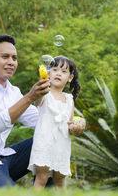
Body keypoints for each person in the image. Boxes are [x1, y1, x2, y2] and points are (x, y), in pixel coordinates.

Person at [0, 34, 85, 187]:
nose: (11, 62)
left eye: (14, 58)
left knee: (50, 139)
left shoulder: (13, 92)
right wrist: (29, 98)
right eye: (5, 57)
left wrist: (74, 125)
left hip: (1, 158)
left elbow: (44, 121)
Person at [28, 56, 83, 189]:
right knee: (42, 177)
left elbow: (70, 124)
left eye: (64, 71)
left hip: (62, 144)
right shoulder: (43, 93)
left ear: (70, 78)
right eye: (55, 69)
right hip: (44, 142)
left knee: (60, 181)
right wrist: (42, 82)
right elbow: (37, 100)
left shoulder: (70, 99)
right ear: (48, 73)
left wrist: (76, 127)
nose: (58, 73)